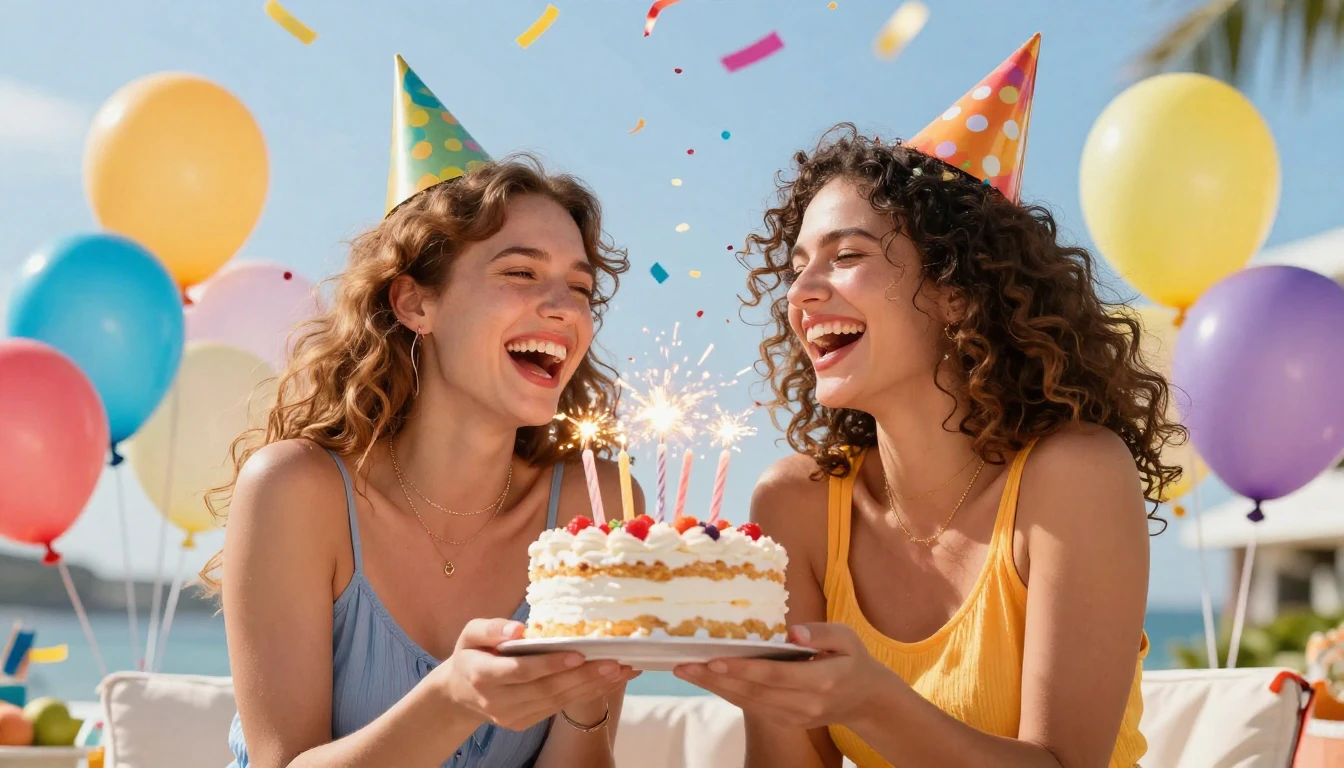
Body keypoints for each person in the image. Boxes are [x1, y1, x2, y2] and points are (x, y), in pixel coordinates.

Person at [676, 35, 1181, 767]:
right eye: (798, 267)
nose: (802, 293)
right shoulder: (796, 505)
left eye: (847, 256)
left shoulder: (1075, 477)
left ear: (956, 290)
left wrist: (871, 701)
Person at [206, 55, 643, 768]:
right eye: (521, 272)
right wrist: (455, 700)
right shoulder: (295, 491)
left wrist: (587, 691)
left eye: (580, 288)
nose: (564, 308)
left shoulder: (597, 508)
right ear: (415, 302)